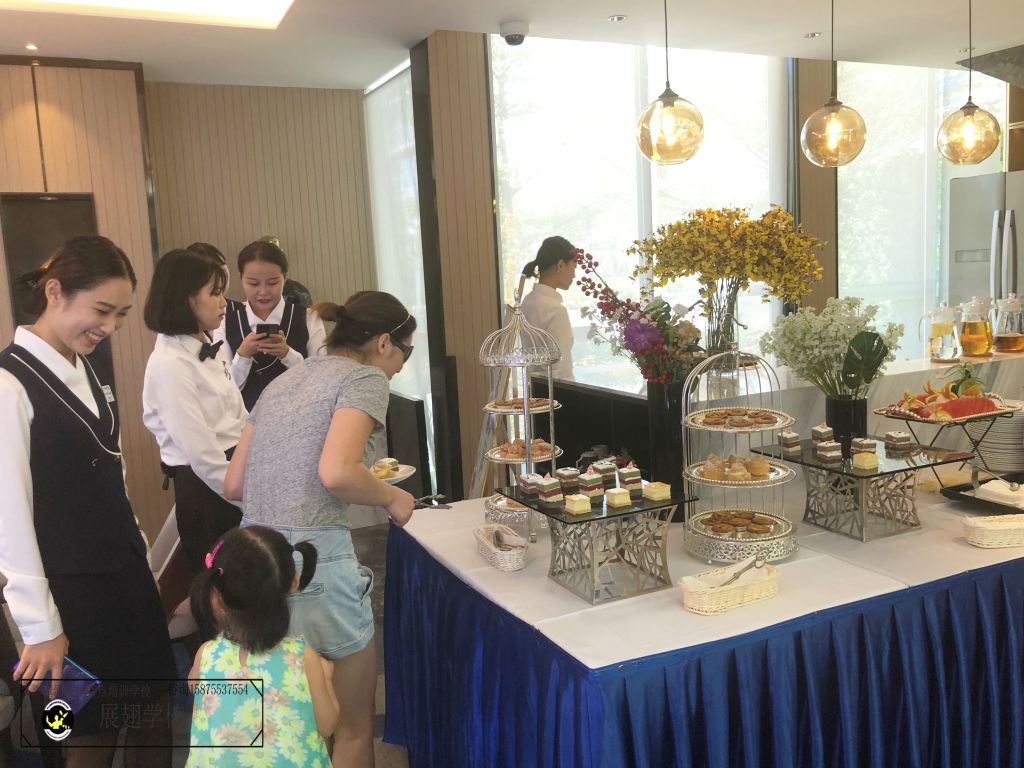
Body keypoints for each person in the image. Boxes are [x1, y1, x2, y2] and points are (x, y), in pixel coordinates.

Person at [223, 290, 417, 768]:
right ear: (384, 343)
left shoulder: (284, 381)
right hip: (311, 563)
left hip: (252, 560)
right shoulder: (364, 378)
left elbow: (234, 484)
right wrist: (393, 497)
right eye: (406, 354)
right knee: (351, 726)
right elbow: (337, 472)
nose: (400, 368)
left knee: (281, 729)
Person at [0, 236, 174, 765]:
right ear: (54, 292)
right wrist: (40, 628)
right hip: (68, 597)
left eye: (120, 315)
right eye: (101, 310)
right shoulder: (9, 383)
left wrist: (140, 555)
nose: (110, 327)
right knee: (85, 739)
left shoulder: (85, 368)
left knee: (153, 715)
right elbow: (9, 516)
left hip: (124, 579)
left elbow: (109, 475)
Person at [186, 525, 337, 767]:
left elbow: (195, 689)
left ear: (218, 594)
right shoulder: (303, 659)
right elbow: (327, 724)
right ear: (293, 583)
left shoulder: (206, 655)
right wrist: (326, 677)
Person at [142, 249, 247, 576]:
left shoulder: (207, 342)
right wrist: (249, 498)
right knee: (222, 590)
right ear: (185, 299)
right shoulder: (170, 364)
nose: (224, 302)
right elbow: (202, 454)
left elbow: (238, 415)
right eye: (215, 293)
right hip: (208, 490)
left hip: (235, 472)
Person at [215, 240, 326, 410]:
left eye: (273, 283)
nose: (263, 291)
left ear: (285, 278)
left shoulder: (309, 317)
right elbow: (224, 391)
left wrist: (287, 354)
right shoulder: (225, 322)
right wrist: (243, 355)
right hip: (246, 422)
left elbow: (322, 381)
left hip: (299, 417)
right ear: (241, 278)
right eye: (253, 283)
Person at [519, 235, 578, 380]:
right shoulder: (556, 310)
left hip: (533, 388)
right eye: (574, 267)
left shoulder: (527, 302)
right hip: (554, 390)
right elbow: (563, 371)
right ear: (560, 265)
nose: (574, 275)